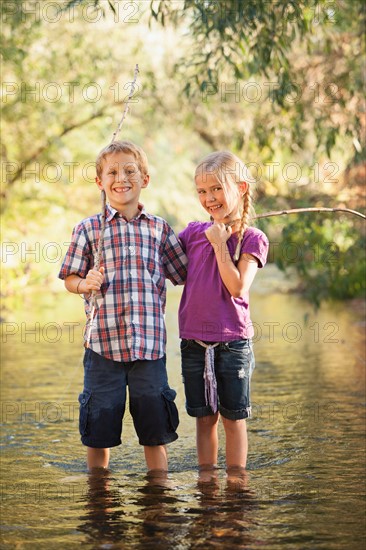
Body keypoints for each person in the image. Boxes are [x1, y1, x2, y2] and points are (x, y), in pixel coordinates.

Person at [59, 140, 187, 472]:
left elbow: (185, 272)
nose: (121, 178)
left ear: (145, 178)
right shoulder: (89, 229)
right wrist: (84, 284)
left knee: (155, 428)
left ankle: (158, 494)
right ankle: (98, 494)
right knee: (98, 429)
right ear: (99, 182)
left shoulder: (158, 229)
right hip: (103, 348)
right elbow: (69, 278)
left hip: (149, 348)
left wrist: (216, 240)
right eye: (112, 172)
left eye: (130, 170)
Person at [178, 151, 269, 475]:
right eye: (202, 191)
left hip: (233, 343)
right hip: (193, 341)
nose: (208, 198)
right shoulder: (192, 233)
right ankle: (206, 485)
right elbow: (164, 265)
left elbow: (237, 287)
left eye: (216, 189)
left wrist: (220, 244)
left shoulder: (253, 239)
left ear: (241, 187)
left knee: (233, 417)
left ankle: (235, 487)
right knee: (204, 418)